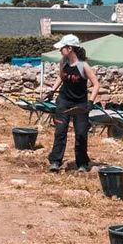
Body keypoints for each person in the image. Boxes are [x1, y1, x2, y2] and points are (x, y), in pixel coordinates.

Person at [45, 34, 100, 173]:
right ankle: (55, 161)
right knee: (60, 131)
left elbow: (96, 84)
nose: (60, 50)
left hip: (80, 104)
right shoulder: (63, 62)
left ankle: (82, 163)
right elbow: (60, 76)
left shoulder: (83, 66)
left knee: (81, 134)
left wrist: (90, 102)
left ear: (70, 48)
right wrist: (52, 90)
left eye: (62, 47)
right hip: (63, 101)